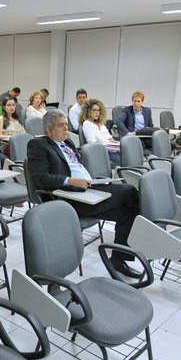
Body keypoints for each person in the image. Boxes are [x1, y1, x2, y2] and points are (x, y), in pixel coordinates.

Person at [26, 109, 140, 278]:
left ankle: (118, 259)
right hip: (69, 197)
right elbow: (41, 178)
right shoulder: (38, 145)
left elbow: (77, 167)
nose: (66, 128)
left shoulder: (68, 143)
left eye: (66, 124)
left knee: (128, 213)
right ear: (49, 130)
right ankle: (151, 230)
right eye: (61, 126)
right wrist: (69, 181)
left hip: (88, 189)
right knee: (130, 190)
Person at [80, 98, 121, 164]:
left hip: (110, 149)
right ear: (88, 111)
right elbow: (92, 142)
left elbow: (110, 137)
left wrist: (117, 146)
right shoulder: (87, 123)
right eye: (94, 110)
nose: (97, 112)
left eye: (98, 110)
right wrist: (108, 147)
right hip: (102, 151)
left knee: (126, 152)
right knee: (124, 161)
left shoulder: (100, 124)